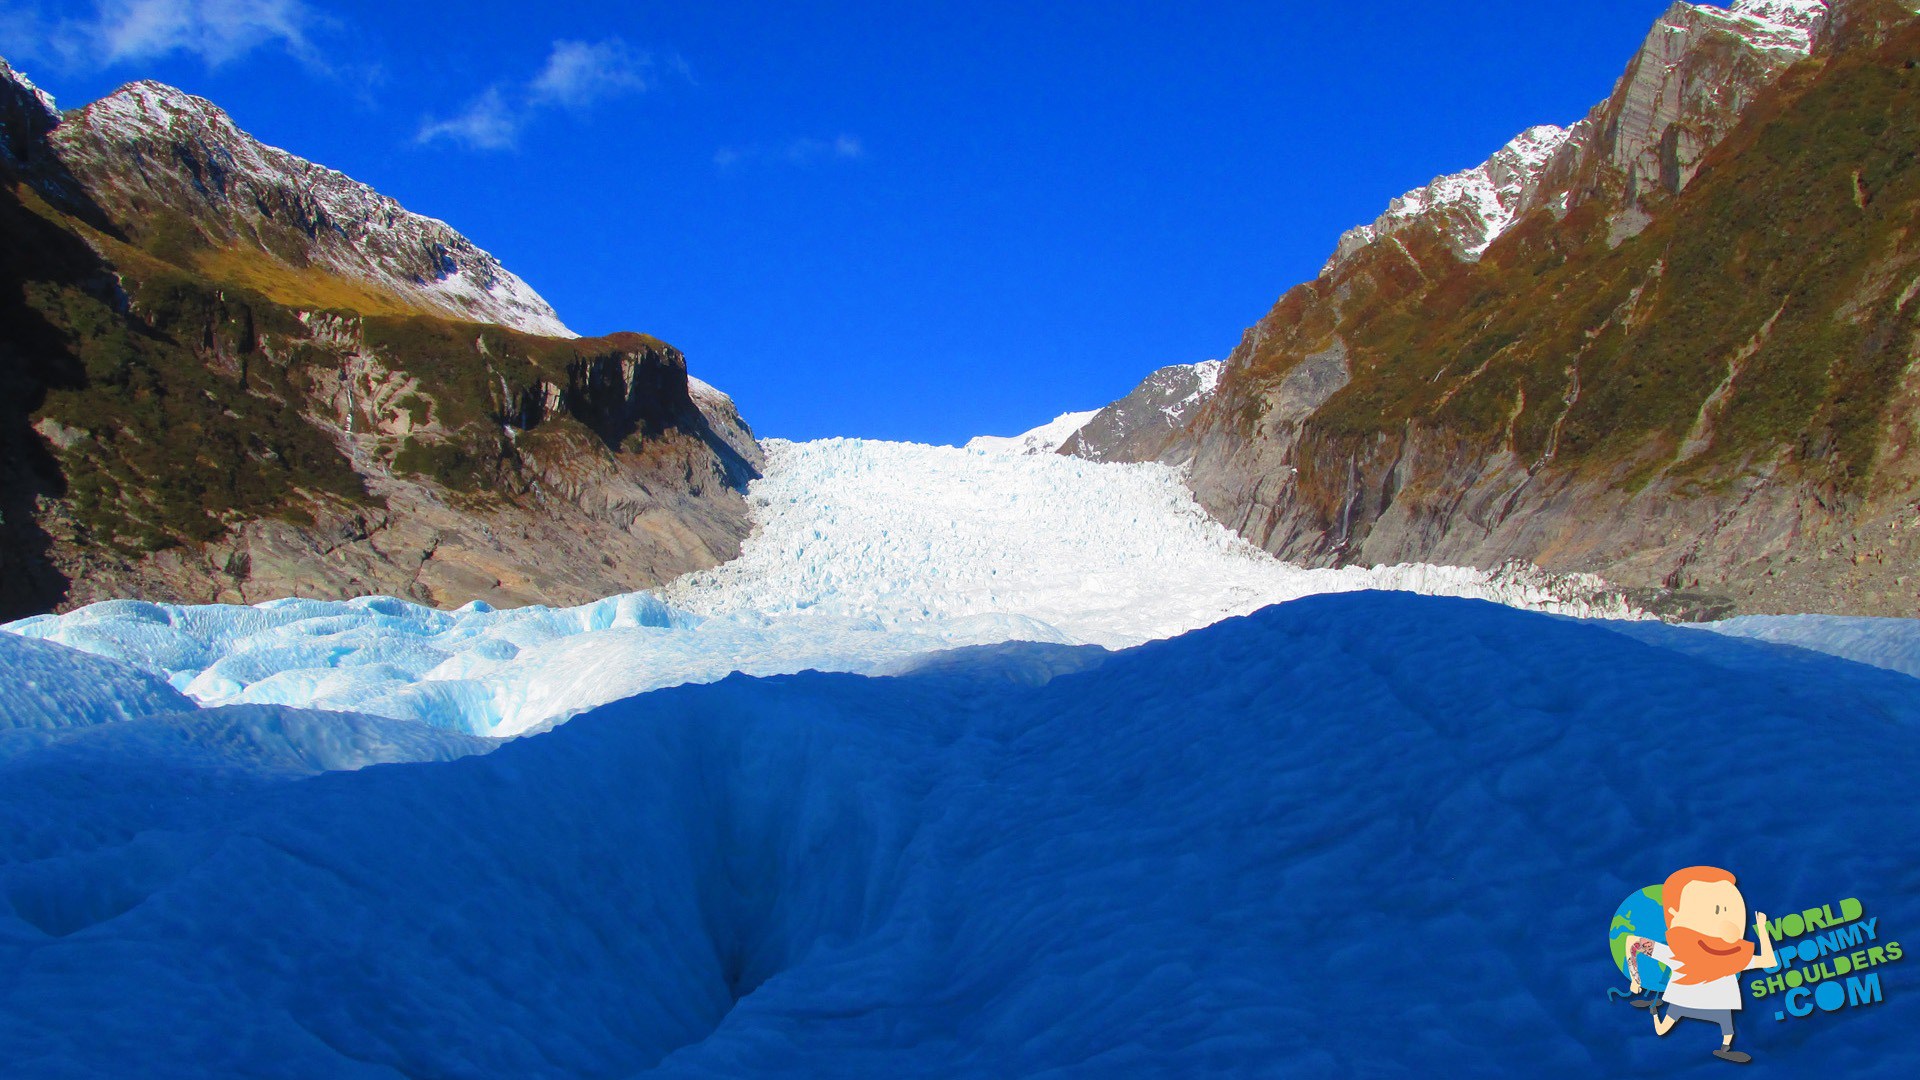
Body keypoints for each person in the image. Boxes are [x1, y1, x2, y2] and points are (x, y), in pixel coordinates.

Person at [1617, 865, 1777, 1064]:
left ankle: (1725, 1049)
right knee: (1662, 1029)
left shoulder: (1733, 958)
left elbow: (1769, 961)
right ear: (1675, 917)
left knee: (1728, 1029)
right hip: (1682, 1002)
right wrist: (1635, 977)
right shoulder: (1677, 954)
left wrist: (1762, 929)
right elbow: (1633, 942)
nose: (1727, 926)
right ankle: (1654, 1011)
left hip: (1715, 1005)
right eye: (1716, 912)